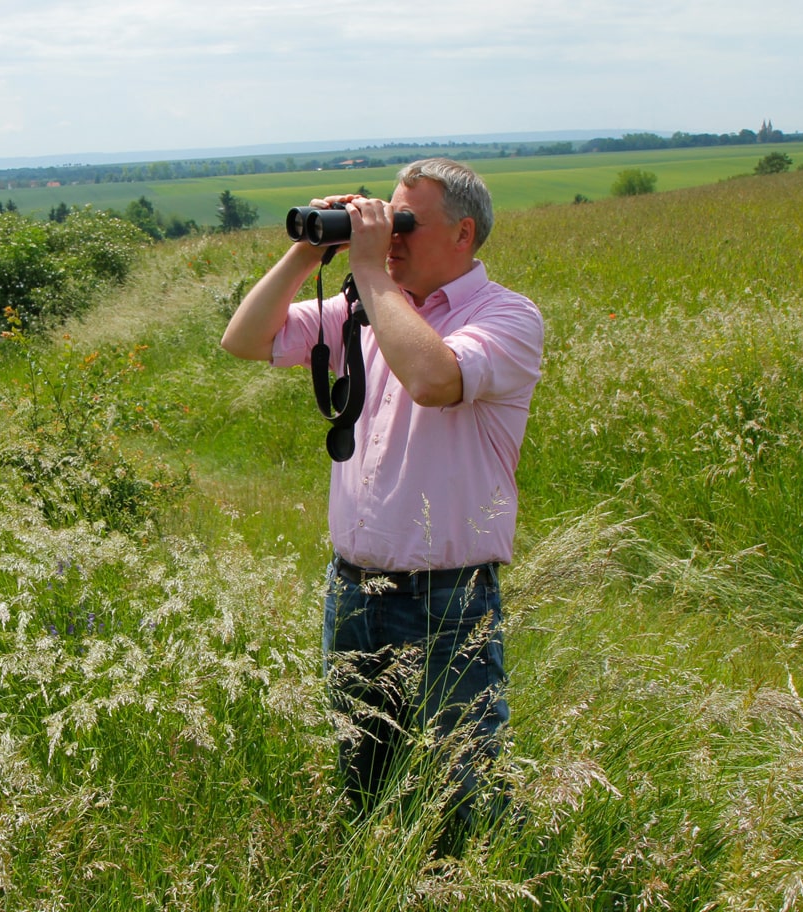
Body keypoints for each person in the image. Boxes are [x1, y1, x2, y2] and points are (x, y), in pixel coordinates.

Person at [221, 158, 543, 846]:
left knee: (464, 799)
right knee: (364, 791)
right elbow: (242, 339)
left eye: (405, 225)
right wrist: (308, 251)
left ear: (463, 234)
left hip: (446, 601)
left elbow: (433, 376)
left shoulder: (508, 317)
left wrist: (370, 270)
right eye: (383, 222)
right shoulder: (361, 309)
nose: (389, 239)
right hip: (353, 592)